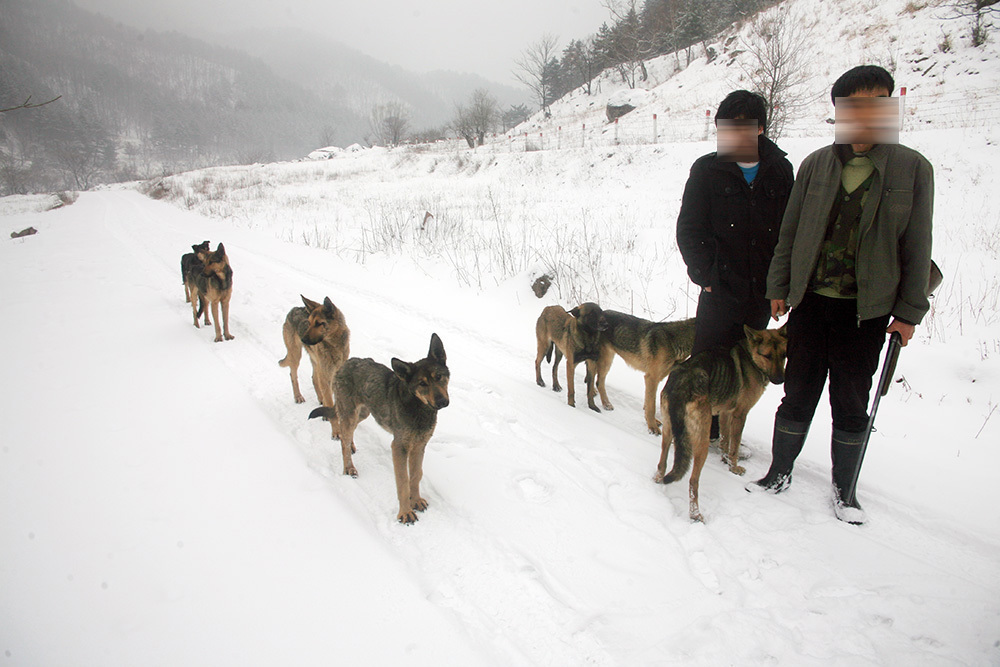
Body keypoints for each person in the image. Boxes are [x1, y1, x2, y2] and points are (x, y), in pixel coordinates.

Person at [747, 65, 934, 524]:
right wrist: (779, 287)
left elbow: (918, 243)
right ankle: (779, 471)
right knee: (797, 392)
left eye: (875, 104)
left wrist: (909, 312)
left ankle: (844, 490)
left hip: (866, 313)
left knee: (851, 401)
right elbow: (789, 232)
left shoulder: (912, 169)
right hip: (810, 303)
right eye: (852, 107)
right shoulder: (815, 165)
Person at [676, 90, 795, 446]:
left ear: (760, 129)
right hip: (719, 287)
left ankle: (730, 428)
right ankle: (701, 430)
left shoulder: (780, 170)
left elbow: (789, 232)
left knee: (746, 366)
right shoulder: (706, 170)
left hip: (761, 290)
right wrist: (706, 276)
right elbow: (689, 228)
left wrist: (780, 286)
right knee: (707, 361)